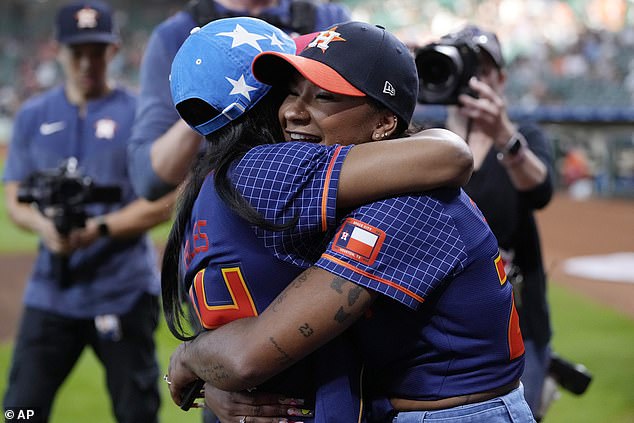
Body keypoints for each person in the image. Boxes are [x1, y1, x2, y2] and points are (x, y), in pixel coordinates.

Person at [165, 18, 535, 423]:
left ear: (383, 123)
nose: (293, 112)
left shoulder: (403, 203)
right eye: (290, 93)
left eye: (323, 96)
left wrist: (190, 358)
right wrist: (220, 383)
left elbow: (249, 355)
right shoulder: (348, 188)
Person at [2, 2, 174, 422]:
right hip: (51, 293)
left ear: (113, 50)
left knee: (137, 414)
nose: (86, 62)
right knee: (19, 411)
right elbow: (15, 198)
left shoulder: (140, 114)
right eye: (77, 51)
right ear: (58, 50)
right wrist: (44, 226)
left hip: (124, 290)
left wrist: (98, 229)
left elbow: (165, 201)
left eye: (97, 51)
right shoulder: (32, 116)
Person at [431, 25, 555, 421]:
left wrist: (505, 136)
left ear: (501, 79)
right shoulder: (425, 140)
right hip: (443, 315)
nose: (473, 79)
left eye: (483, 70)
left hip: (517, 315)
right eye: (462, 66)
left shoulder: (523, 135)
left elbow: (541, 192)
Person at [127, 0, 351, 201]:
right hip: (244, 192)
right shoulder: (175, 34)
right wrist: (211, 103)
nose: (294, 110)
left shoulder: (326, 18)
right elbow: (147, 179)